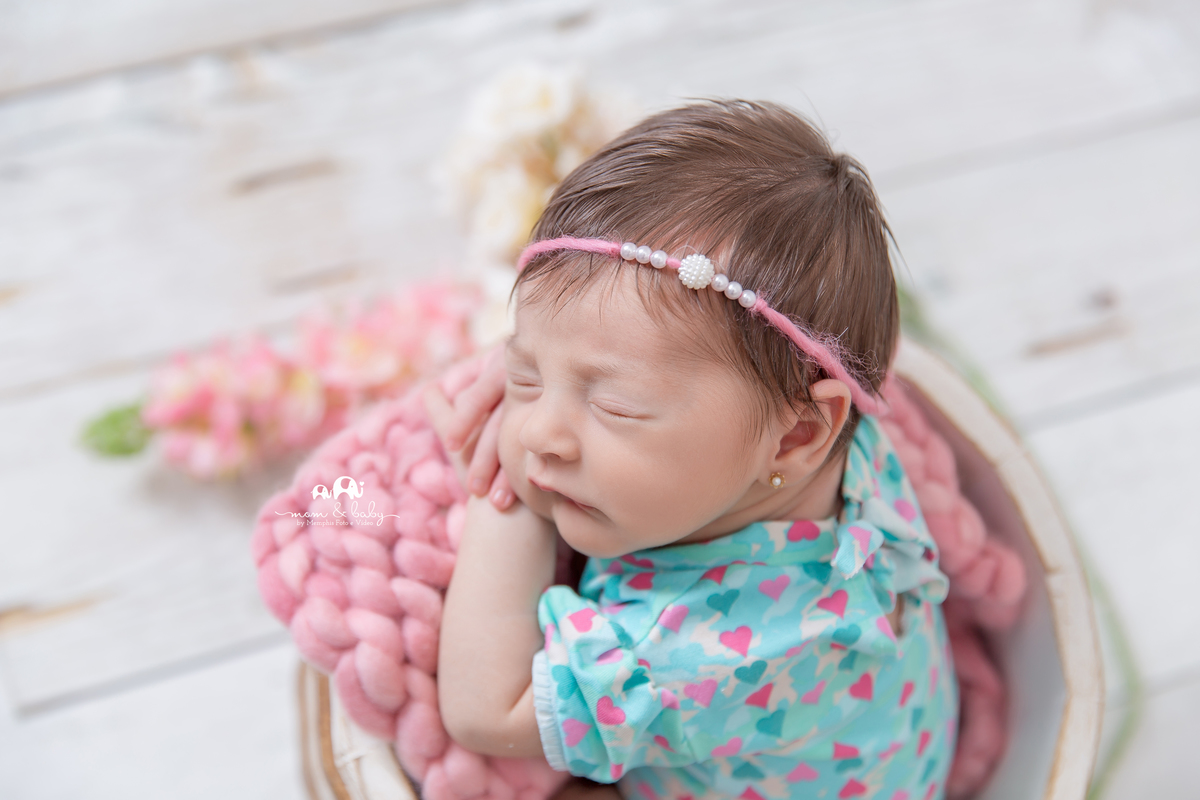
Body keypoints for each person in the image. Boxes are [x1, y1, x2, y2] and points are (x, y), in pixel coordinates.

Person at [424, 100, 957, 800]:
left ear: (798, 434)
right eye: (523, 375)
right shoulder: (828, 445)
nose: (538, 433)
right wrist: (559, 371)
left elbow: (486, 713)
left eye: (614, 404)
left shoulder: (704, 651)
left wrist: (503, 495)